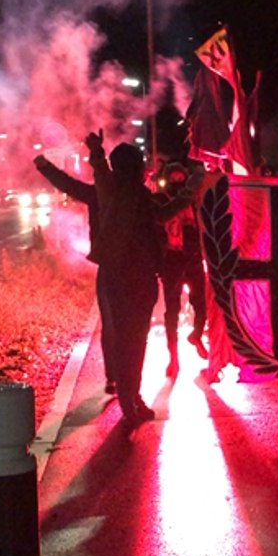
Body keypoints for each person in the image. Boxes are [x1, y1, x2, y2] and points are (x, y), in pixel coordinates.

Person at [86, 129, 199, 423]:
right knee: (134, 340)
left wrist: (97, 152)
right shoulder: (131, 193)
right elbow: (165, 212)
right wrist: (190, 191)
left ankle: (132, 398)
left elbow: (100, 172)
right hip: (136, 278)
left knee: (130, 339)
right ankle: (130, 402)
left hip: (119, 276)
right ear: (136, 168)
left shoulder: (113, 190)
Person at [33, 152, 115, 394]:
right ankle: (130, 382)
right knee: (132, 328)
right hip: (136, 269)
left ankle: (114, 378)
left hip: (110, 268)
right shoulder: (139, 195)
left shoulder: (98, 195)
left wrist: (46, 168)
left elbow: (68, 184)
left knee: (111, 325)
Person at [152, 158, 209, 378]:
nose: (177, 180)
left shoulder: (195, 200)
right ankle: (173, 357)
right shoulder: (159, 199)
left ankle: (196, 335)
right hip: (172, 260)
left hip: (193, 258)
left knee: (200, 303)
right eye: (173, 176)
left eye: (180, 176)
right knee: (172, 311)